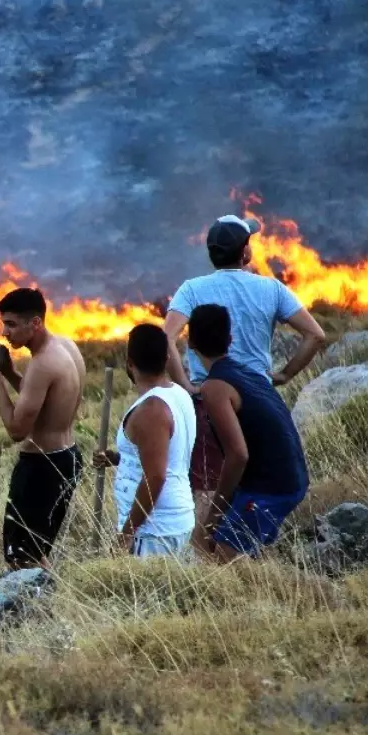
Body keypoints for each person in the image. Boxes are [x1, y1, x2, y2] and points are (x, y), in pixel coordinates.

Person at [163, 214, 326, 509]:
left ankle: (208, 548)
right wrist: (285, 375)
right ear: (245, 252)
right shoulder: (272, 289)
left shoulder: (191, 289)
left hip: (209, 399)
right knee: (256, 484)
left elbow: (167, 339)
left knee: (209, 488)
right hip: (258, 399)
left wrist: (186, 386)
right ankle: (245, 547)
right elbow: (314, 334)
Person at [0, 287, 85, 570]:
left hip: (41, 468)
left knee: (21, 556)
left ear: (35, 323)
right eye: (3, 324)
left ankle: (36, 610)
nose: (5, 333)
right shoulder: (65, 346)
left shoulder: (42, 363)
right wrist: (8, 373)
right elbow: (42, 401)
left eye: (11, 325)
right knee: (36, 551)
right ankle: (46, 605)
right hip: (67, 458)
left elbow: (17, 430)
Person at [184, 303, 310, 562]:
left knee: (222, 556)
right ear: (230, 340)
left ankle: (319, 596)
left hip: (272, 487)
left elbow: (238, 455)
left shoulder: (215, 387)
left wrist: (214, 515)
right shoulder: (247, 373)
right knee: (238, 551)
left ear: (190, 343)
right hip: (291, 477)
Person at [93, 324, 197, 557]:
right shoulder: (178, 394)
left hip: (155, 531)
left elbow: (156, 476)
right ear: (167, 357)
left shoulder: (152, 410)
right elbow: (164, 455)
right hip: (171, 523)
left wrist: (127, 533)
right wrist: (119, 458)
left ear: (130, 363)